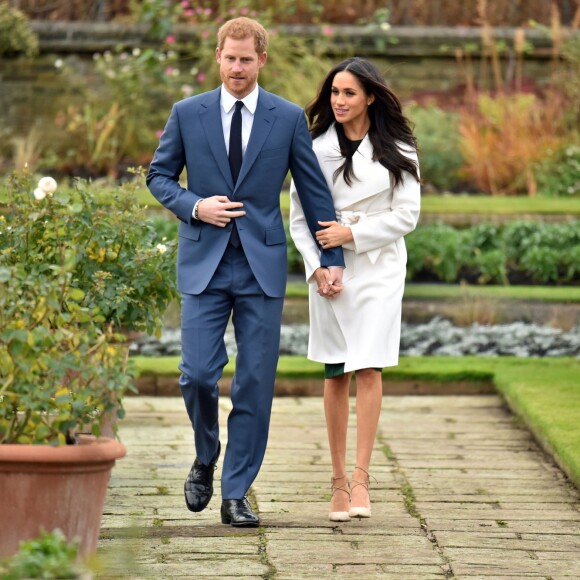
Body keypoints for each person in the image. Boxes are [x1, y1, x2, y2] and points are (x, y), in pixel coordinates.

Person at [146, 17, 344, 528]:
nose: (237, 67)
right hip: (204, 262)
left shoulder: (286, 117)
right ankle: (206, 454)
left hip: (261, 263)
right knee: (196, 375)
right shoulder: (188, 114)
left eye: (246, 59)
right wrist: (194, 206)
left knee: (255, 383)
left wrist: (331, 259)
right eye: (230, 58)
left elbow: (314, 191)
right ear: (218, 57)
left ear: (262, 61)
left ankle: (236, 493)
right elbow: (159, 176)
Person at [289, 57, 421, 522]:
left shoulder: (398, 145)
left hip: (379, 268)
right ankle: (338, 482)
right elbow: (300, 218)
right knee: (335, 371)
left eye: (349, 93)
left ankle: (362, 477)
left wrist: (352, 233)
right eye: (334, 93)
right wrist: (319, 267)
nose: (339, 101)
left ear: (369, 96)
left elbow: (407, 215)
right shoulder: (311, 146)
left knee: (369, 366)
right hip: (332, 275)